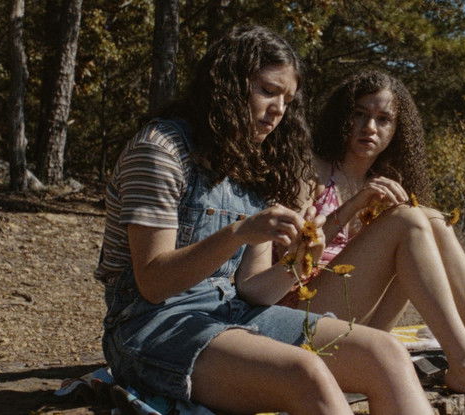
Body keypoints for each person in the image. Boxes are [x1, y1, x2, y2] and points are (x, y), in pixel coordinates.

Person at [96, 28, 433, 415]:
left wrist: (300, 261)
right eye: (268, 91)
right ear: (227, 86)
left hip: (232, 313)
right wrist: (238, 233)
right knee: (305, 371)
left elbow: (254, 291)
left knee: (384, 352)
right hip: (151, 328)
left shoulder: (253, 160)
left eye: (287, 100)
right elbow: (154, 284)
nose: (278, 110)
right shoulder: (160, 151)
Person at [275, 71, 465, 415]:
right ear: (342, 116)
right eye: (359, 114)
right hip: (302, 319)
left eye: (383, 119)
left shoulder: (385, 181)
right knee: (408, 220)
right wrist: (353, 207)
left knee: (434, 221)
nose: (369, 127)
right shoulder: (311, 170)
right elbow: (288, 256)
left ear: (398, 129)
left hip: (361, 328)